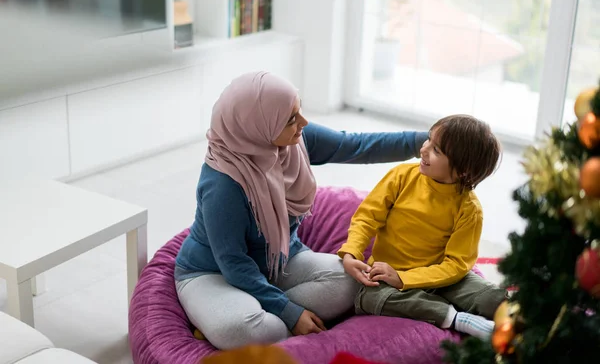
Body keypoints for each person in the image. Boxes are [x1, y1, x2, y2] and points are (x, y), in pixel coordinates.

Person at [174, 71, 429, 350]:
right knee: (253, 329)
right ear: (260, 126)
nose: (303, 123)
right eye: (291, 119)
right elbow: (232, 262)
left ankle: (253, 308)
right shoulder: (222, 183)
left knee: (351, 280)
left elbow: (356, 145)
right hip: (214, 273)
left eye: (299, 111)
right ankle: (243, 313)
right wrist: (290, 312)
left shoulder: (295, 142)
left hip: (280, 261)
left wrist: (426, 141)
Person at [338, 114, 507, 340]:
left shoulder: (469, 209)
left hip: (442, 279)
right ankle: (456, 318)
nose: (423, 149)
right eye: (428, 140)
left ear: (463, 170)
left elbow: (457, 265)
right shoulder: (401, 176)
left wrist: (405, 278)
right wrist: (352, 252)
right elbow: (366, 217)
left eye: (436, 150)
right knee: (370, 298)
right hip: (388, 278)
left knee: (493, 299)